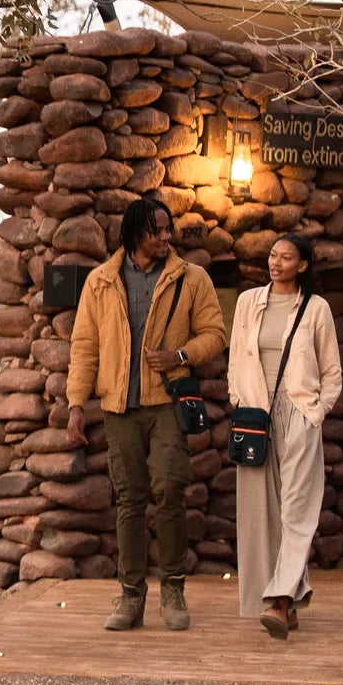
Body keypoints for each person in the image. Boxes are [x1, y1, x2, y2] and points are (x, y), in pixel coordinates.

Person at [65, 198, 227, 632]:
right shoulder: (101, 282)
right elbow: (84, 347)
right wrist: (76, 404)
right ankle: (130, 597)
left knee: (170, 492)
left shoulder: (191, 279)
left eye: (169, 229)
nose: (166, 237)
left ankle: (172, 588)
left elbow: (215, 334)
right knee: (130, 501)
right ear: (136, 232)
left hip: (167, 405)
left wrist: (180, 354)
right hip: (120, 407)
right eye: (158, 230)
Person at [228, 233, 343, 639]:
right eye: (273, 255)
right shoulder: (247, 303)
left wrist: (316, 412)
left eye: (286, 257)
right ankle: (289, 596)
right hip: (256, 415)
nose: (276, 263)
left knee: (297, 509)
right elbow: (236, 359)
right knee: (261, 513)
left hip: (298, 413)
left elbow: (332, 373)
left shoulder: (316, 309)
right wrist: (238, 400)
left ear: (303, 266)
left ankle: (278, 601)